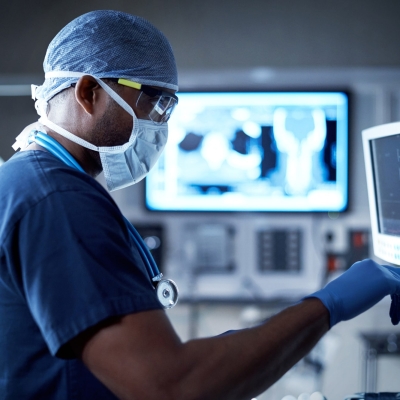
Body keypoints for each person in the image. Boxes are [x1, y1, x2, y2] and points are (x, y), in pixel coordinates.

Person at [0, 10, 400, 400]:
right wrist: (330, 304)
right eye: (155, 104)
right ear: (89, 92)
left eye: (169, 109)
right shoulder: (58, 200)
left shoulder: (36, 181)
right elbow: (173, 386)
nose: (161, 127)